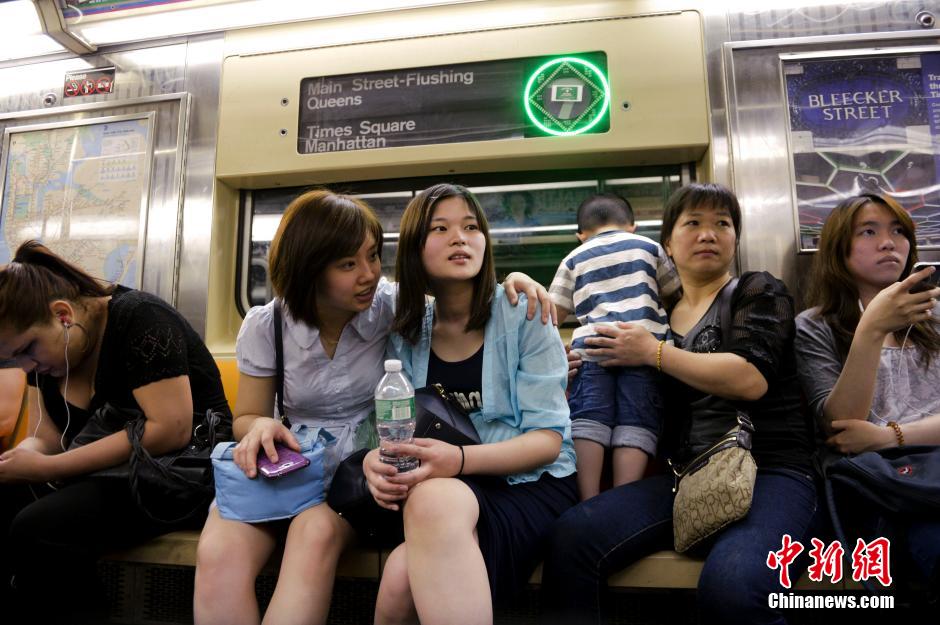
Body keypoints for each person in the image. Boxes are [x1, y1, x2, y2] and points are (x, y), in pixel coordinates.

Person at [194, 189, 555, 625]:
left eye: (372, 257)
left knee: (313, 535)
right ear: (309, 270)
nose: (367, 275)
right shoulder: (267, 324)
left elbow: (460, 296)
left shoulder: (392, 308)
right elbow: (247, 416)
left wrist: (518, 279)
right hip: (294, 462)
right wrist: (260, 427)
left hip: (359, 469)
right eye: (348, 265)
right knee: (217, 553)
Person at [540, 183, 817, 625]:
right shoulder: (657, 317)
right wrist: (582, 364)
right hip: (686, 474)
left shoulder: (757, 290)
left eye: (722, 224)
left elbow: (751, 378)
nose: (709, 234)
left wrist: (653, 354)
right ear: (666, 244)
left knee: (732, 585)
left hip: (771, 468)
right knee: (573, 535)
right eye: (693, 224)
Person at [362, 183, 578, 625]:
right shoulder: (406, 333)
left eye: (470, 226)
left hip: (529, 481)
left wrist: (457, 460)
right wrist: (373, 461)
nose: (460, 238)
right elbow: (392, 427)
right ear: (414, 249)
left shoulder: (524, 312)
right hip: (449, 485)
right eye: (440, 228)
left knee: (428, 514)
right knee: (398, 576)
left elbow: (548, 442)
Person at [0, 240, 233, 623]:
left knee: (39, 529)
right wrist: (20, 459)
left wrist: (49, 470)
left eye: (28, 350)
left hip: (181, 471)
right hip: (107, 474)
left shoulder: (140, 319)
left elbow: (170, 429)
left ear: (62, 315)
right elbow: (47, 437)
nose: (26, 366)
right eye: (15, 358)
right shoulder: (47, 360)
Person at [794, 193, 940, 597]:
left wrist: (888, 436)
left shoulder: (935, 316)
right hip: (873, 489)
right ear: (840, 250)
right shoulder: (815, 326)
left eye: (898, 231)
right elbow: (840, 424)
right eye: (869, 232)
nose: (888, 242)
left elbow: (866, 434)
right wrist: (871, 330)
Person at [549, 192, 678, 499]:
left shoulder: (572, 259)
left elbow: (550, 315)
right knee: (636, 419)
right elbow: (674, 294)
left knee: (589, 417)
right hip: (643, 347)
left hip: (593, 347)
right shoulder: (650, 247)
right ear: (632, 226)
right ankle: (622, 498)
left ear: (580, 234)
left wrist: (555, 358)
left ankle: (588, 497)